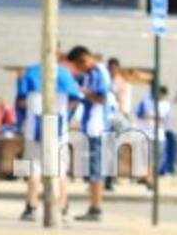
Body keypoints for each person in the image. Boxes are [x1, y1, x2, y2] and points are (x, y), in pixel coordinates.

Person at [15, 58, 83, 222]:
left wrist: (27, 114)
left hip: (34, 126)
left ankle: (31, 207)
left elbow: (21, 102)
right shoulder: (65, 74)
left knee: (34, 168)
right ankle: (62, 208)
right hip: (58, 125)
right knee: (60, 169)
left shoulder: (31, 72)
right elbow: (76, 99)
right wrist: (66, 113)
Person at [67, 46, 111, 221]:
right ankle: (93, 206)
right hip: (91, 125)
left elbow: (102, 98)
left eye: (78, 66)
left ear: (84, 60)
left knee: (95, 169)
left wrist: (83, 92)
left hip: (97, 127)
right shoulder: (91, 73)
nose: (79, 70)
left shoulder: (99, 73)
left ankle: (96, 208)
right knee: (92, 169)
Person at [135, 85, 170, 185]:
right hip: (147, 133)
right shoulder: (146, 102)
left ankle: (149, 177)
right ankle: (149, 178)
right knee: (148, 157)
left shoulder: (166, 105)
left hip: (160, 135)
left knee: (158, 158)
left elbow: (167, 119)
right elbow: (140, 114)